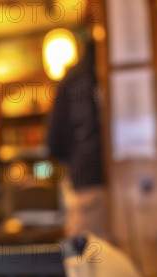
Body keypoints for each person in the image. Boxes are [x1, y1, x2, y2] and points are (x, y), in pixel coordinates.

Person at [46, 38, 110, 240]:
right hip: (139, 187)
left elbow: (54, 144)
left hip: (90, 188)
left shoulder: (72, 79)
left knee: (87, 264)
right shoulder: (129, 66)